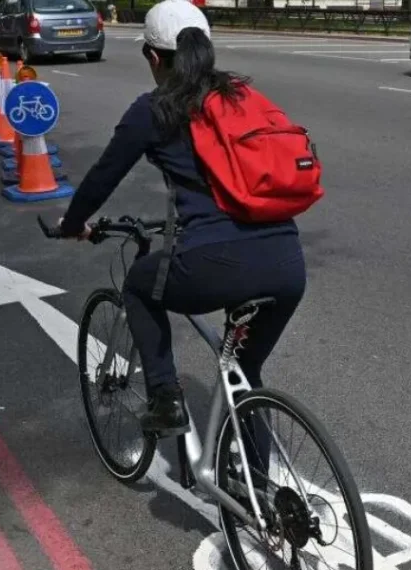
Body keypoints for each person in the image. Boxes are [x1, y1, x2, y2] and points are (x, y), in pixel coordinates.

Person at [56, 0, 306, 437]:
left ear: (154, 58)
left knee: (137, 285)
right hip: (287, 261)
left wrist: (73, 224)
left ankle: (166, 399)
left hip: (217, 263)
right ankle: (259, 497)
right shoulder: (241, 97)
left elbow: (102, 178)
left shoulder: (154, 109)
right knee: (244, 374)